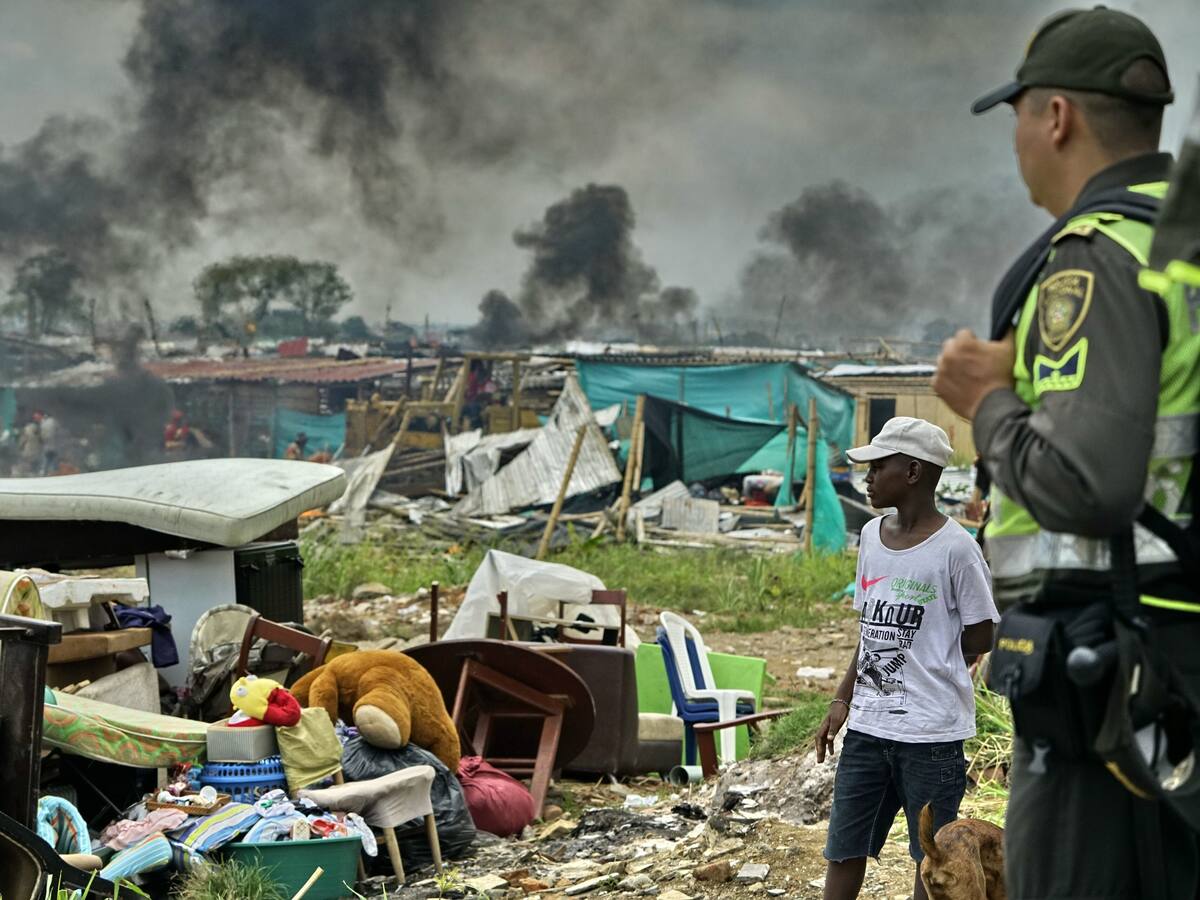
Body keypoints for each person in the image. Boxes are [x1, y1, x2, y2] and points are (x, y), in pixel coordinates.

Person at [933, 7, 1200, 898]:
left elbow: (1089, 486)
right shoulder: (1185, 245)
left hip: (1112, 691)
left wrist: (989, 401)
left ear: (1056, 118)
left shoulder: (1094, 259)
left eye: (1016, 113)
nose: (1015, 138)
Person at [815, 417, 998, 900]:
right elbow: (870, 631)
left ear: (914, 472)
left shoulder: (957, 549)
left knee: (933, 858)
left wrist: (931, 652)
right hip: (869, 730)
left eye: (878, 467)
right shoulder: (872, 537)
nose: (868, 478)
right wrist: (841, 699)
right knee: (845, 845)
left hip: (931, 738)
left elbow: (984, 630)